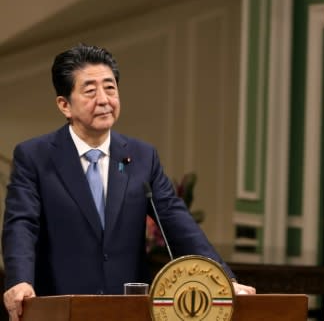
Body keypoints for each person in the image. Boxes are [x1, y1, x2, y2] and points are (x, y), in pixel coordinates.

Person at [2, 43, 255, 321]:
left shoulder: (142, 156)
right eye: (90, 90)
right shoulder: (35, 156)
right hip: (60, 308)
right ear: (64, 105)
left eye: (110, 88)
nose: (103, 99)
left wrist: (222, 279)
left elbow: (176, 221)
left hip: (128, 309)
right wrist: (19, 281)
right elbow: (22, 224)